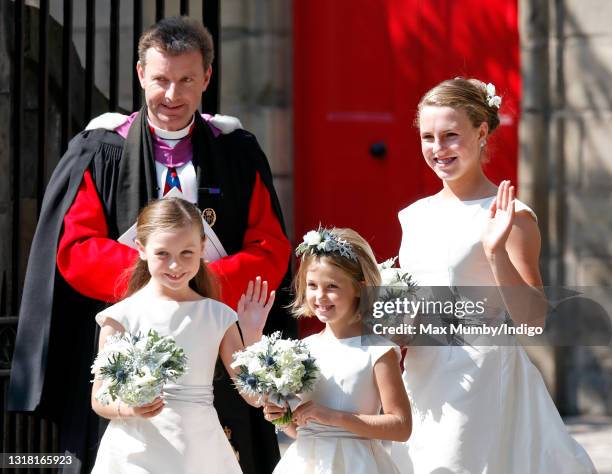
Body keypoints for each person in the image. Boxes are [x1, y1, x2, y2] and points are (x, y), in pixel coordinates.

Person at [8, 16, 291, 473]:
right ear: (140, 74)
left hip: (212, 327)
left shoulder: (236, 149)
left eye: (186, 80)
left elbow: (270, 245)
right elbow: (76, 248)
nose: (172, 96)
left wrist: (201, 284)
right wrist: (158, 283)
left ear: (207, 78)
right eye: (160, 80)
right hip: (127, 324)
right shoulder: (100, 148)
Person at [390, 78, 595, 473]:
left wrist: (495, 252)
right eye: (428, 137)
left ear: (482, 132)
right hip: (422, 378)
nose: (438, 149)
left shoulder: (511, 216)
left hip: (480, 379)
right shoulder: (413, 216)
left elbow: (534, 320)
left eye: (451, 136)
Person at [90, 198, 274, 473]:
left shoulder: (217, 315)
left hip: (199, 450)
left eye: (186, 253)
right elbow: (100, 398)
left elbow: (254, 396)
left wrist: (253, 337)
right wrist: (129, 409)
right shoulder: (122, 317)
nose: (175, 266)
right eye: (163, 253)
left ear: (202, 248)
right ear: (141, 249)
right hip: (135, 450)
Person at [264, 227, 412, 474]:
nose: (320, 296)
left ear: (359, 288)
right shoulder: (304, 349)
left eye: (332, 286)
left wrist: (335, 417)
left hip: (357, 465)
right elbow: (302, 428)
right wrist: (283, 416)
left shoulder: (377, 351)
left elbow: (401, 425)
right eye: (312, 285)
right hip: (306, 464)